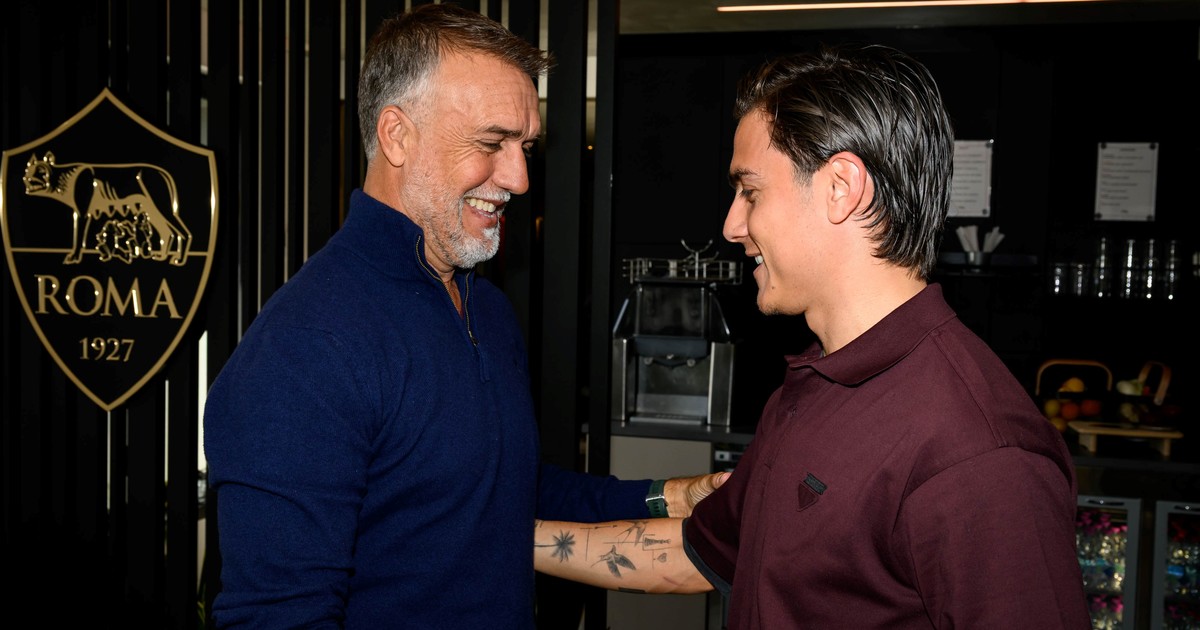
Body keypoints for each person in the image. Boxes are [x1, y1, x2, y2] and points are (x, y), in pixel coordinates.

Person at [202, 4, 726, 628]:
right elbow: (276, 617)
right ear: (397, 136)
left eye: (524, 146)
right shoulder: (306, 348)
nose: (520, 177)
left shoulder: (486, 308)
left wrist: (670, 495)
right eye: (490, 142)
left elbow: (498, 491)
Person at [533, 43, 1091, 628]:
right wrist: (504, 539)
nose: (732, 225)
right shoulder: (812, 386)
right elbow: (698, 555)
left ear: (840, 187)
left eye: (750, 192)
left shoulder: (980, 453)